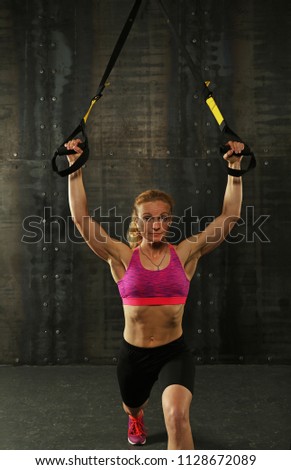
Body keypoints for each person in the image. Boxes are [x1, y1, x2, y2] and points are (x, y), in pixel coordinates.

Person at [65, 138, 244, 450]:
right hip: (133, 355)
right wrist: (73, 168)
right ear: (138, 222)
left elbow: (228, 217)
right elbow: (82, 219)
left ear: (170, 220)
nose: (156, 224)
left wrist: (235, 169)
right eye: (148, 218)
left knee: (176, 415)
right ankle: (135, 416)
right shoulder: (121, 256)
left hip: (173, 352)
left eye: (163, 217)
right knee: (132, 405)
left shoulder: (186, 253)